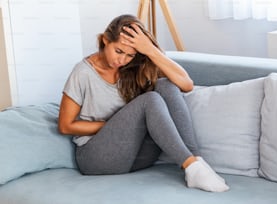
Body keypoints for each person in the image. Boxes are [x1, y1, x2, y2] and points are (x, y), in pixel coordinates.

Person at [58, 14, 229, 192]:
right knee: (150, 99)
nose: (122, 60)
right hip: (96, 158)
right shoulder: (83, 72)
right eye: (118, 51)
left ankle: (196, 161)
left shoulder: (132, 68)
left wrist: (150, 50)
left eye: (130, 55)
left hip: (133, 155)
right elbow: (65, 126)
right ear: (105, 40)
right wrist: (113, 126)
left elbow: (186, 85)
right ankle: (191, 167)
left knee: (165, 84)